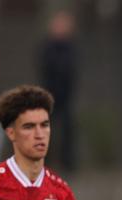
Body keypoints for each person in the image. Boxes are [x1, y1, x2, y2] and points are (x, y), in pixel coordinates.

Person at [39, 10, 78, 171]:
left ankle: (68, 163)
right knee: (45, 130)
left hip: (66, 96)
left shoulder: (71, 48)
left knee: (68, 130)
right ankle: (44, 162)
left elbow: (72, 71)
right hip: (49, 95)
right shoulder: (47, 47)